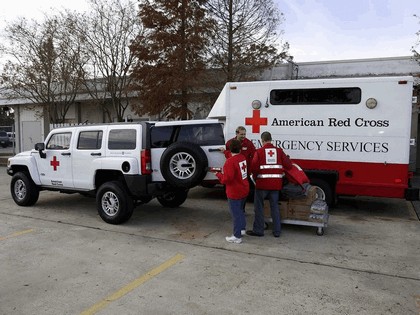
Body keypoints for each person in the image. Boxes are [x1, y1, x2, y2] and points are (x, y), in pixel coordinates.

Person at [247, 131, 293, 238]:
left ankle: (258, 230)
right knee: (275, 208)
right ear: (271, 139)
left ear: (262, 141)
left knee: (259, 208)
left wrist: (255, 178)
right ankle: (277, 231)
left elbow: (253, 168)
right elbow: (289, 165)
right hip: (276, 185)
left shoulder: (259, 152)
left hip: (262, 185)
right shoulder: (279, 151)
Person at [213, 139, 249, 244]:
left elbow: (226, 179)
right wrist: (225, 152)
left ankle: (237, 236)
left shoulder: (230, 162)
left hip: (234, 191)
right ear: (240, 148)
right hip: (244, 188)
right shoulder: (242, 158)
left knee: (236, 214)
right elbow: (233, 157)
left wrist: (218, 174)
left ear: (230, 148)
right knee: (241, 211)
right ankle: (242, 229)